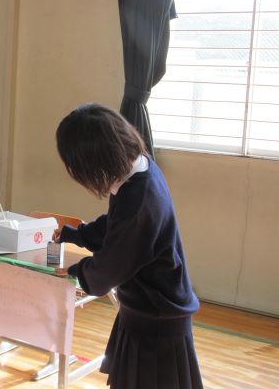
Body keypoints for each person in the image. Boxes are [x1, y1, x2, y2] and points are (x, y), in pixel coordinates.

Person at [54, 103, 203, 389]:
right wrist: (77, 235)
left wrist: (74, 271)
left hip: (156, 321)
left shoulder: (138, 197)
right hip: (149, 310)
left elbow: (109, 268)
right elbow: (117, 225)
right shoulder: (139, 169)